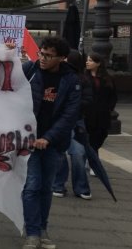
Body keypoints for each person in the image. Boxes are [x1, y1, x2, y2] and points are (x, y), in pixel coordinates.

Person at [21, 36, 82, 249]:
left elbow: (69, 114)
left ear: (62, 58)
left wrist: (48, 138)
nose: (43, 58)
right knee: (32, 186)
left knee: (46, 187)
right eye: (41, 53)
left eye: (48, 55)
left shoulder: (71, 80)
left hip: (53, 143)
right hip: (28, 141)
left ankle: (42, 228)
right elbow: (4, 76)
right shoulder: (31, 69)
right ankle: (32, 233)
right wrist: (6, 53)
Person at [52, 50, 93, 200]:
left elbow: (88, 101)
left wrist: (72, 105)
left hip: (75, 121)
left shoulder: (83, 80)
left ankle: (80, 187)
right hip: (61, 120)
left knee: (78, 154)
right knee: (59, 154)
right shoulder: (58, 76)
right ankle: (58, 184)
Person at [84, 52, 117, 160]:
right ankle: (93, 161)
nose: (87, 62)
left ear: (98, 63)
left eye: (90, 60)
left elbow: (113, 95)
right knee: (90, 139)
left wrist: (110, 108)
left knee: (101, 136)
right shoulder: (84, 77)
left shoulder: (108, 78)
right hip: (88, 114)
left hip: (103, 114)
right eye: (87, 60)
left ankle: (91, 158)